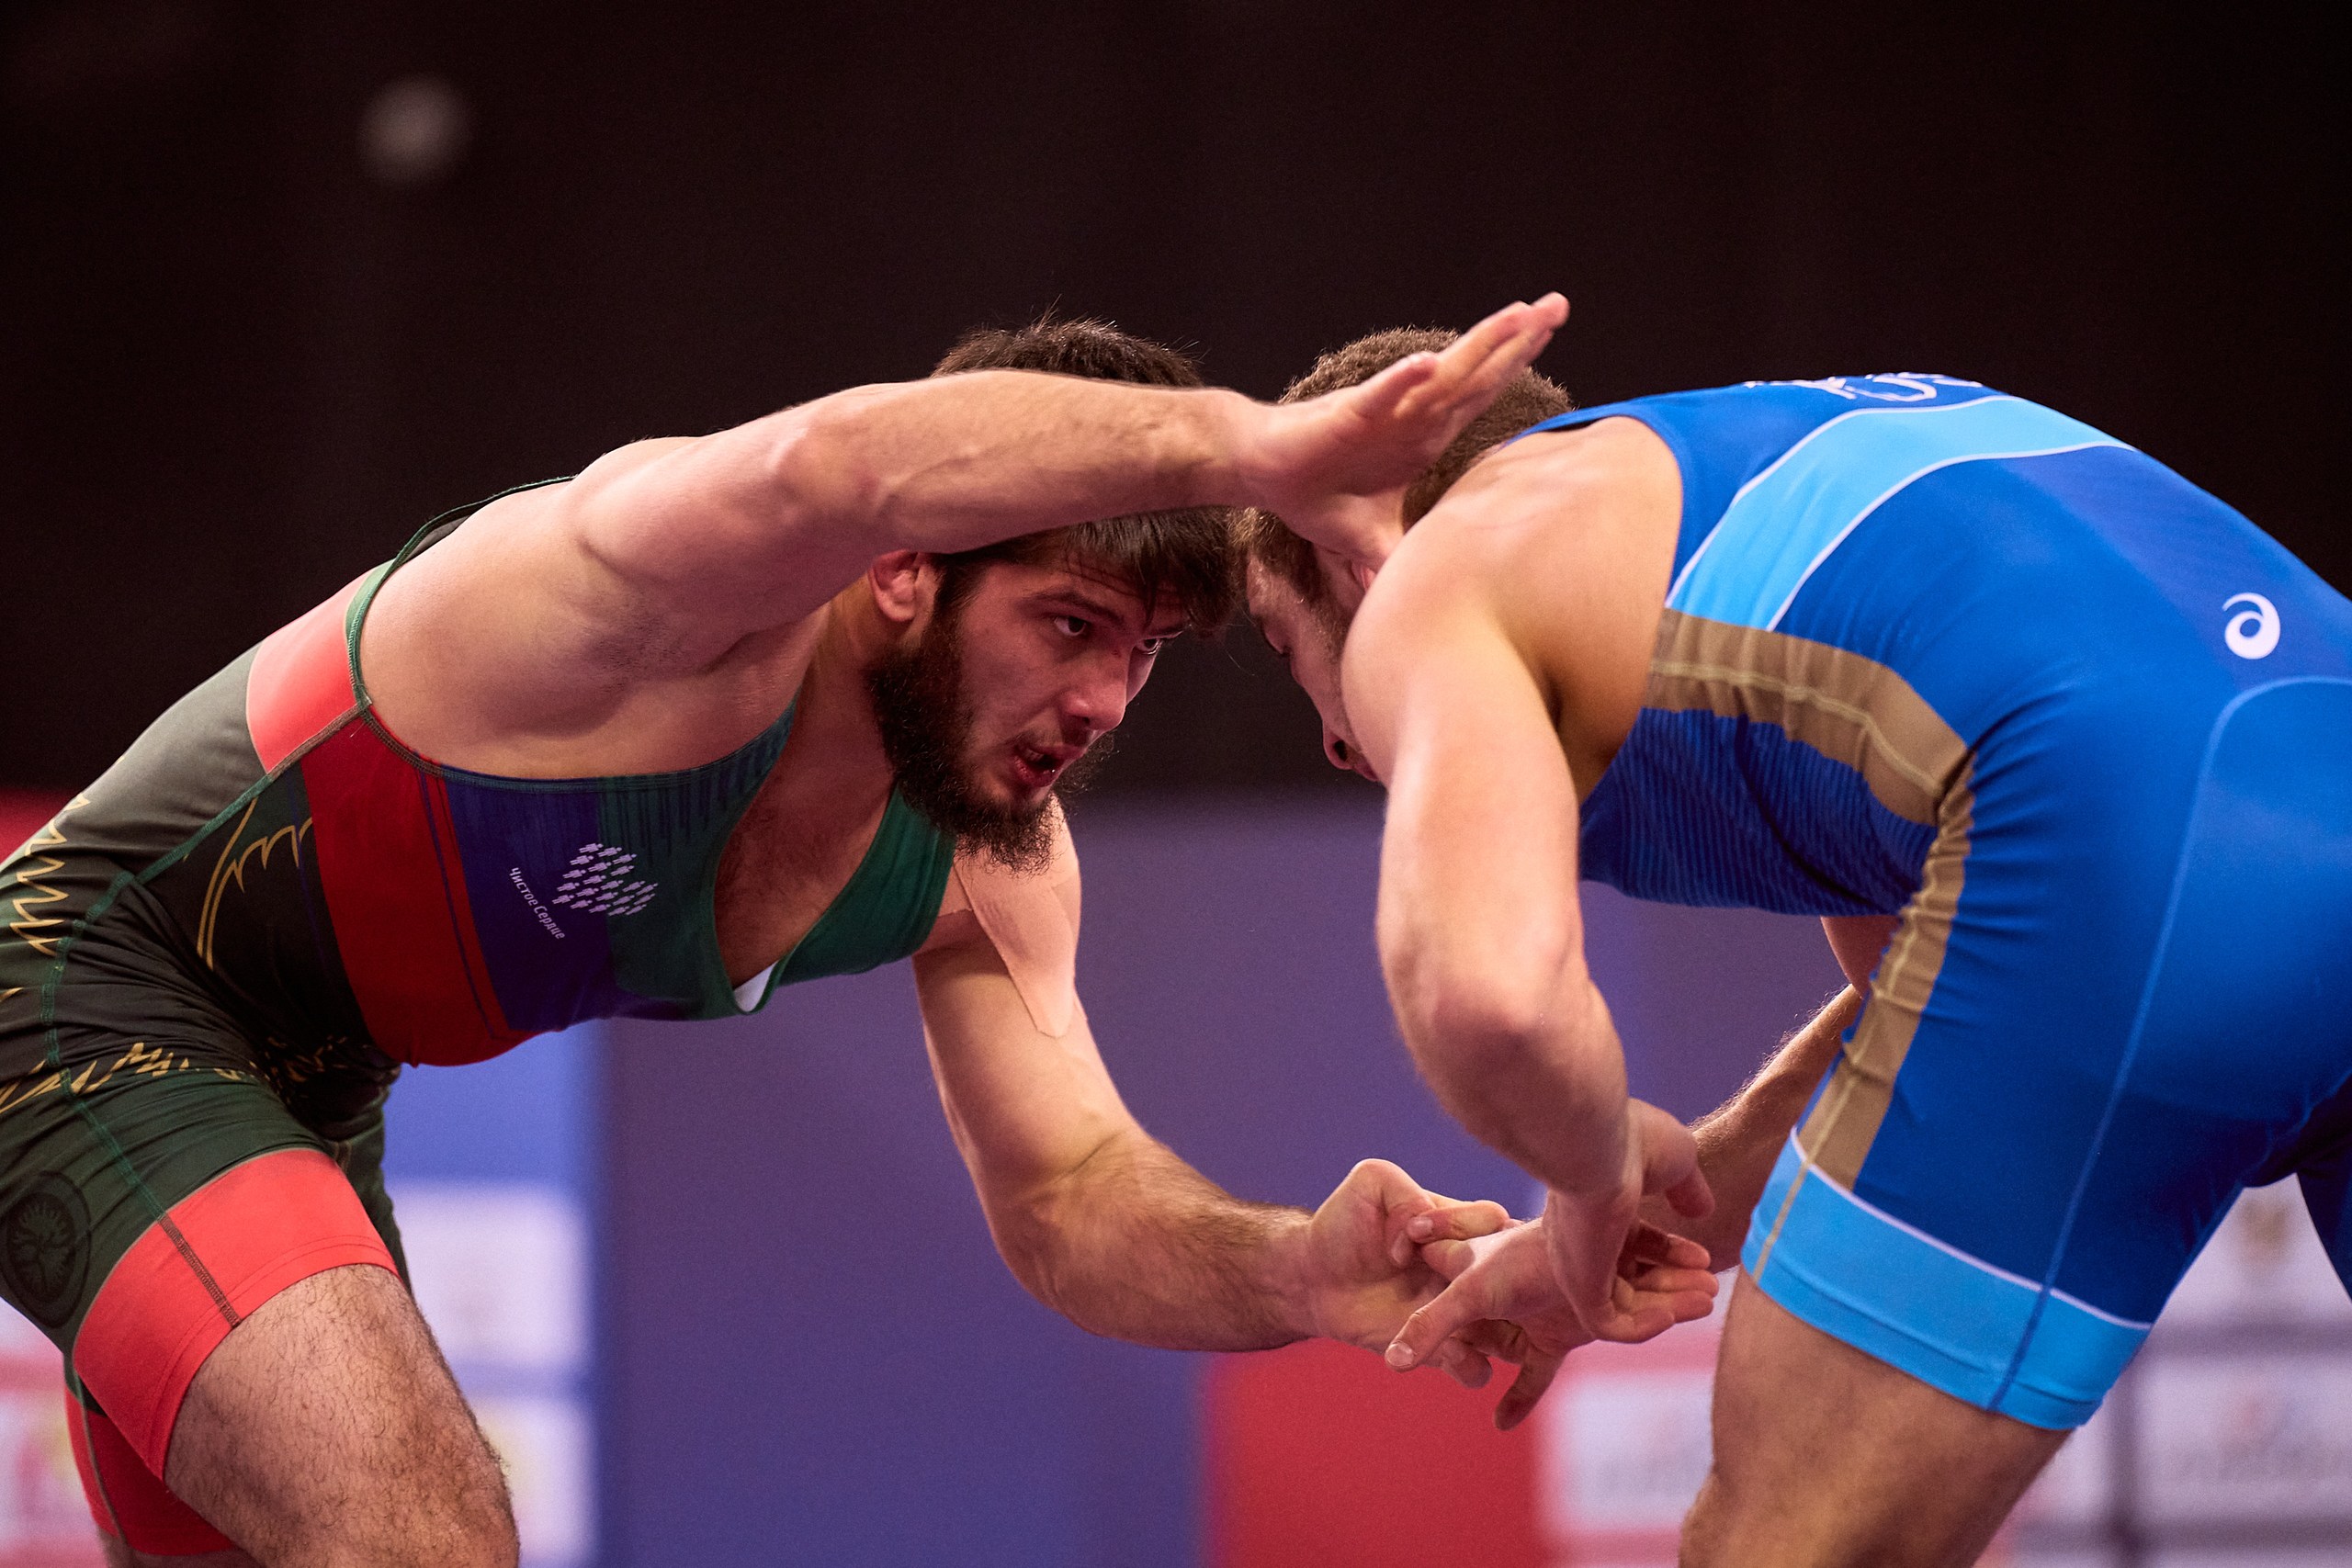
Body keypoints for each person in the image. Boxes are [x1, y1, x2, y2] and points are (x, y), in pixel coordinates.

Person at [0, 296, 1714, 1566]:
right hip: (79, 993)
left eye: (1140, 655)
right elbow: (842, 457)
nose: (1102, 703)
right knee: (420, 1539)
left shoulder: (985, 855)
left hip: (301, 1091)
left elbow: (1071, 1199)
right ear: (906, 567)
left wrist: (1292, 1271)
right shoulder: (655, 603)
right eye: (1068, 624)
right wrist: (1254, 446)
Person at [1241, 334, 2352, 1565]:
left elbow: (1486, 1003)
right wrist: (1624, 1227)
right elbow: (1935, 1017)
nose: (1333, 742)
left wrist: (1591, 1175)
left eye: (1288, 649)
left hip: (2128, 835)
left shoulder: (1432, 576)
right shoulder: (1759, 477)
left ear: (1349, 546)